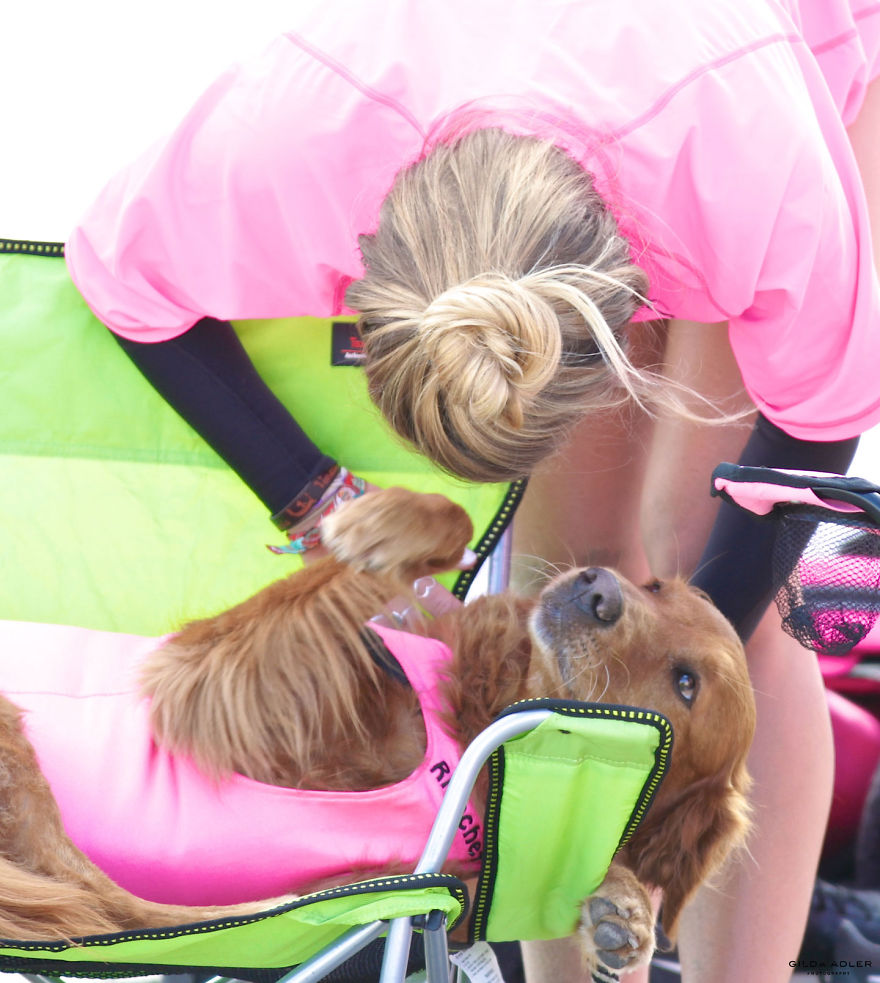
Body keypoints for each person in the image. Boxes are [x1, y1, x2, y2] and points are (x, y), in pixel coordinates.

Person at [64, 1, 880, 979]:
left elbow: (817, 417)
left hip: (774, 63)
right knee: (561, 582)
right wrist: (323, 502)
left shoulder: (763, 181)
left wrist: (679, 667)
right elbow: (121, 276)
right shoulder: (298, 142)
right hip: (564, 103)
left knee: (715, 601)